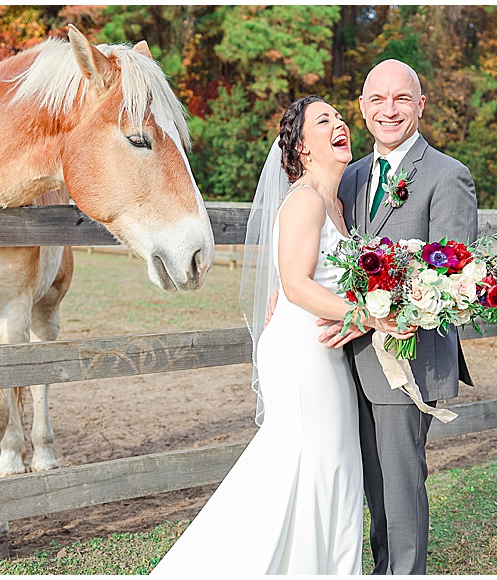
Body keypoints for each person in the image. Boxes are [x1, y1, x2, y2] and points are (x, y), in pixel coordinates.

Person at [152, 95, 411, 575]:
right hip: (300, 355)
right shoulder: (306, 200)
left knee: (334, 463)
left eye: (338, 117)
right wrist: (369, 316)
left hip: (326, 352)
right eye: (324, 120)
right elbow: (295, 284)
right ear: (302, 146)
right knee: (307, 461)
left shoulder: (336, 203)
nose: (339, 124)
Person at [317, 59, 479, 574]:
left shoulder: (447, 176)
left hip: (405, 359)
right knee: (370, 479)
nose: (390, 110)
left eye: (402, 99)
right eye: (378, 100)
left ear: (420, 106)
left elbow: (453, 278)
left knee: (401, 480)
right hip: (346, 360)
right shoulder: (351, 176)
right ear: (363, 108)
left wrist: (368, 316)